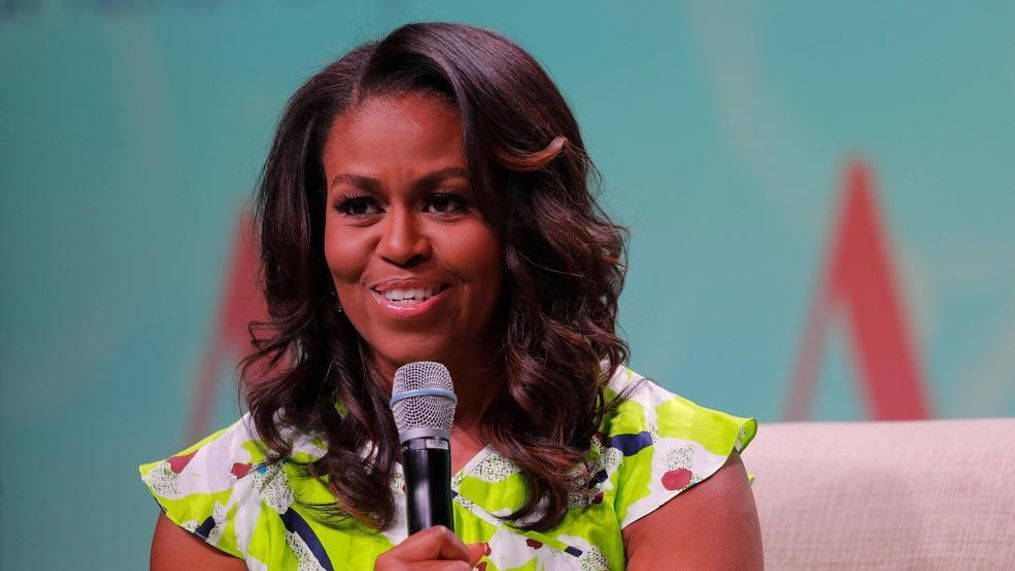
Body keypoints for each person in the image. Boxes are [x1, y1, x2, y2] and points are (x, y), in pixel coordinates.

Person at [141, 22, 762, 570]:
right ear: (313, 235)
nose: (402, 243)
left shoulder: (669, 472)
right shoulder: (221, 505)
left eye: (447, 202)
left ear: (527, 224)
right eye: (359, 207)